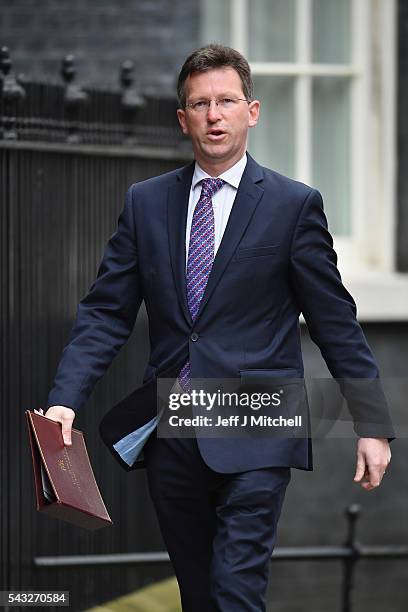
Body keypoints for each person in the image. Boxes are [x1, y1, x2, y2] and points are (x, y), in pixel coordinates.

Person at [45, 44, 394, 611]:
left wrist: (372, 424)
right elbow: (106, 312)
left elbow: (335, 322)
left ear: (251, 111)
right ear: (182, 118)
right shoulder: (145, 203)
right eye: (200, 104)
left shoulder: (293, 205)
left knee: (236, 593)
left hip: (258, 423)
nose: (214, 115)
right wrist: (65, 400)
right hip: (175, 428)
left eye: (226, 101)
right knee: (200, 597)